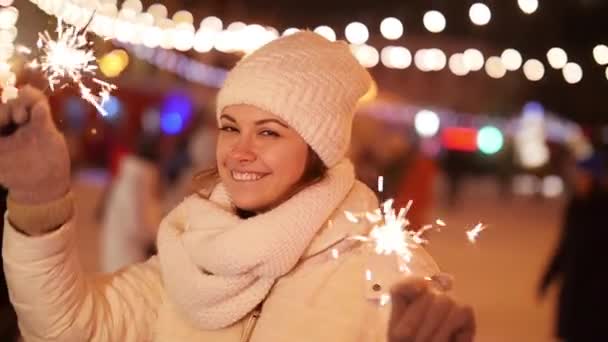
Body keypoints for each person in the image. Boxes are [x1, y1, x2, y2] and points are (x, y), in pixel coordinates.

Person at [0, 32, 474, 341]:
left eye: (268, 132)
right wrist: (39, 201)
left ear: (319, 148)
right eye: (230, 126)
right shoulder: (195, 252)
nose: (239, 151)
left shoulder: (384, 275)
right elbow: (69, 330)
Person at [539, 152, 608, 341]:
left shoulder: (603, 209)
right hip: (574, 287)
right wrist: (548, 277)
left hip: (598, 293)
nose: (579, 179)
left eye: (583, 175)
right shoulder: (576, 206)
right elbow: (566, 246)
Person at [99, 134, 163, 272]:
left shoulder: (133, 176)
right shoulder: (136, 181)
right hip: (127, 256)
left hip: (127, 253)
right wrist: (157, 238)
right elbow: (136, 224)